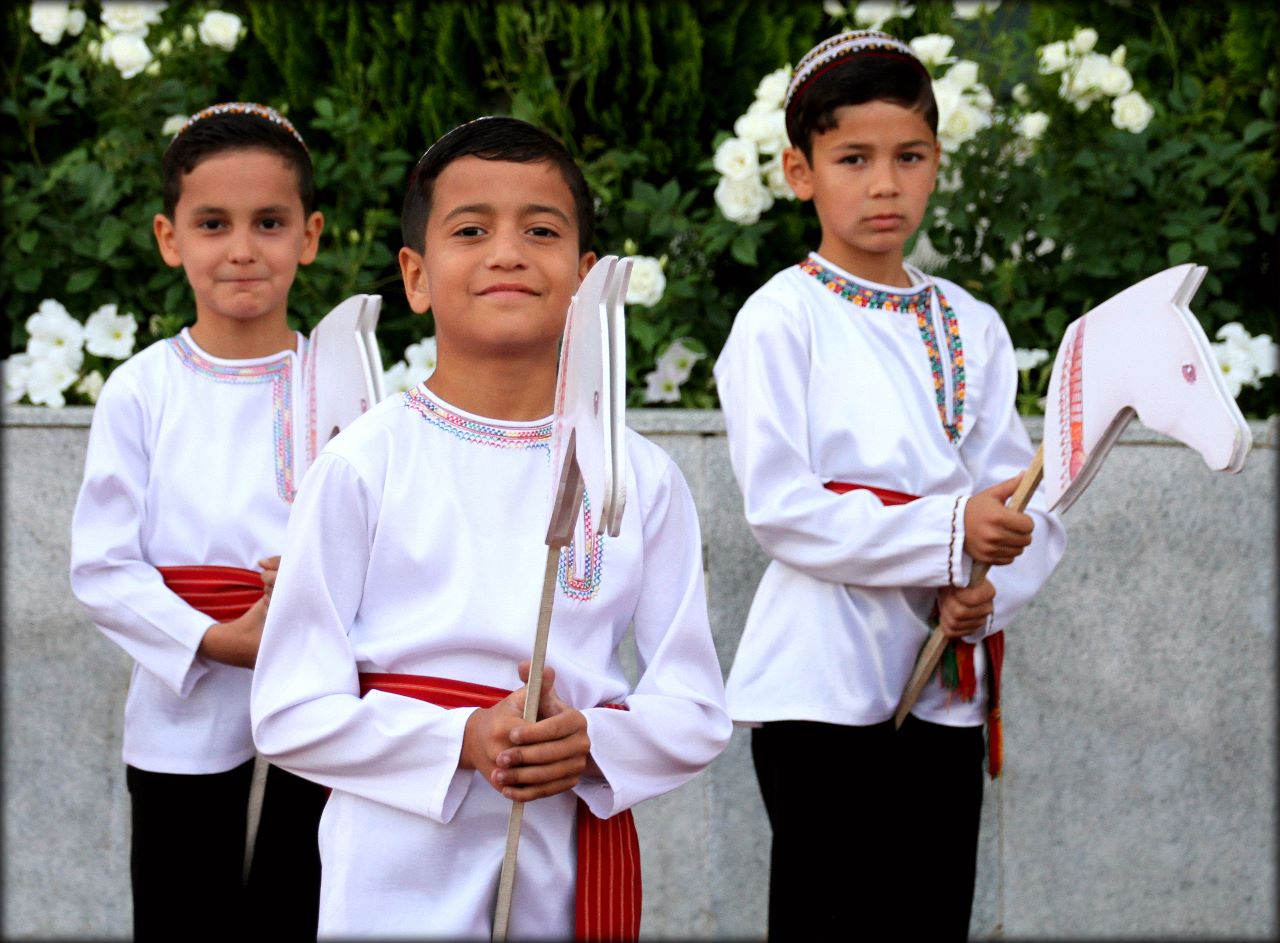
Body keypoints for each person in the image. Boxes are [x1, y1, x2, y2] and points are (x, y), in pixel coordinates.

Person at [248, 115, 732, 940]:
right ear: (416, 274)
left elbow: (694, 705)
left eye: (540, 230)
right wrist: (461, 739)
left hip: (564, 850)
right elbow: (290, 709)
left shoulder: (635, 475)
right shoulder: (366, 463)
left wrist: (593, 743)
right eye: (471, 230)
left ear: (585, 277)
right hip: (395, 857)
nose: (507, 251)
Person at [713, 30, 1068, 941]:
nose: (884, 184)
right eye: (853, 159)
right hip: (821, 683)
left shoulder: (972, 324)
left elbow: (1025, 499)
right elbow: (783, 509)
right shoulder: (779, 319)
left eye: (908, 157)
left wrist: (986, 588)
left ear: (936, 163)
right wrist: (952, 534)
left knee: (929, 914)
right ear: (799, 171)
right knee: (831, 916)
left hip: (945, 683)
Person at [69, 102, 331, 940]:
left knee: (306, 906)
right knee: (185, 910)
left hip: (324, 699)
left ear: (310, 234)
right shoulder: (142, 389)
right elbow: (104, 567)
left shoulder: (346, 388)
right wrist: (219, 641)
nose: (243, 248)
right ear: (169, 236)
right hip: (184, 702)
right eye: (213, 223)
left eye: (270, 222)